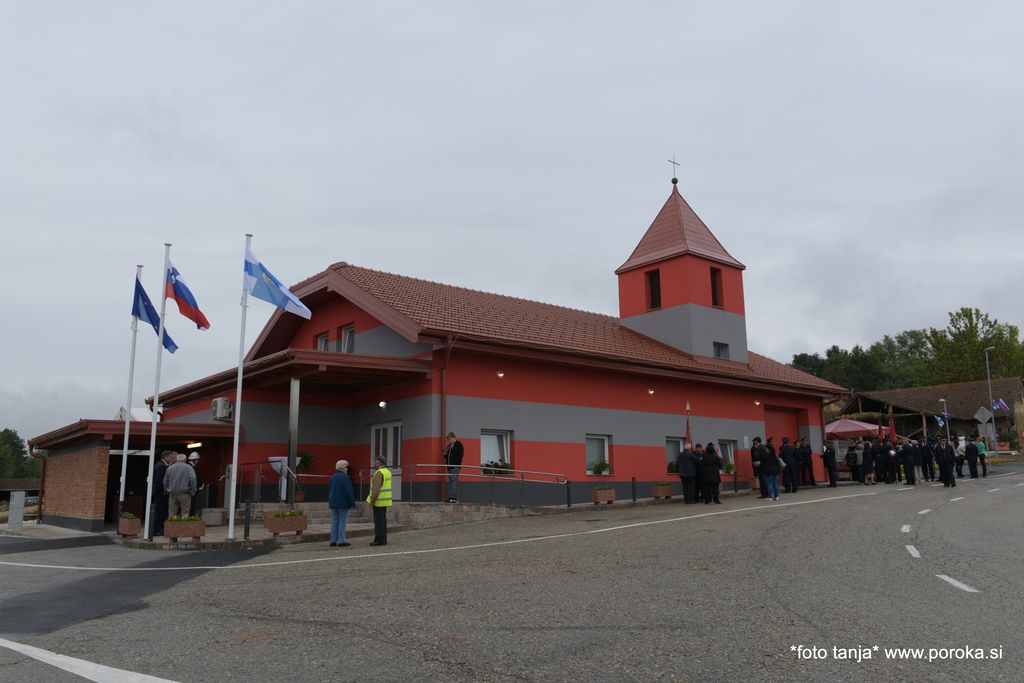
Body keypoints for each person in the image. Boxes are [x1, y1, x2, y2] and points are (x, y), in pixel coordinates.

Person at [328, 459, 357, 547]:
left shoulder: (332, 477)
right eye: (346, 467)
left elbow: (329, 489)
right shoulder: (345, 477)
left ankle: (333, 540)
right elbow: (349, 491)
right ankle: (341, 540)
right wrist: (353, 503)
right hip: (343, 502)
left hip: (333, 501)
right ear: (343, 468)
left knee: (335, 521)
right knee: (342, 521)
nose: (347, 469)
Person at [367, 454, 392, 546]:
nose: (374, 463)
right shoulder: (387, 472)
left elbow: (376, 490)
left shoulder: (379, 473)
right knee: (383, 521)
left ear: (379, 463)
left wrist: (372, 501)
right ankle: (383, 539)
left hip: (378, 501)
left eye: (376, 461)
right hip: (384, 501)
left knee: (378, 522)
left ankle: (378, 540)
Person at [164, 453, 197, 518]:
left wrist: (166, 490)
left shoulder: (170, 468)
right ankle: (183, 524)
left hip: (172, 493)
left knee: (172, 513)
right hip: (185, 493)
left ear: (177, 459)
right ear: (185, 460)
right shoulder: (188, 468)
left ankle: (171, 524)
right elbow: (193, 478)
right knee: (185, 513)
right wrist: (193, 490)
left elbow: (165, 481)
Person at [151, 450, 174, 536]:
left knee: (160, 511)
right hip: (160, 493)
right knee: (160, 512)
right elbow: (159, 481)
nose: (171, 459)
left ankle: (158, 529)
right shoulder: (161, 466)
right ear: (165, 457)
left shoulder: (160, 465)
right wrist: (165, 490)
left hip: (159, 493)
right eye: (170, 457)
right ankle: (158, 530)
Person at [442, 432, 464, 503]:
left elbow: (461, 454)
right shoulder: (449, 446)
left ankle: (454, 498)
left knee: (454, 482)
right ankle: (452, 497)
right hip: (449, 466)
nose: (449, 441)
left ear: (453, 437)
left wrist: (457, 463)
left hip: (455, 466)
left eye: (450, 439)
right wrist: (444, 454)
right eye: (449, 440)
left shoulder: (458, 444)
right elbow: (447, 456)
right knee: (451, 482)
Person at [187, 452, 205, 516]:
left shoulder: (189, 466)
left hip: (191, 489)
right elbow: (194, 478)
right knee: (191, 506)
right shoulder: (191, 467)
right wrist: (198, 487)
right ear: (194, 460)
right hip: (192, 490)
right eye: (197, 460)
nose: (198, 461)